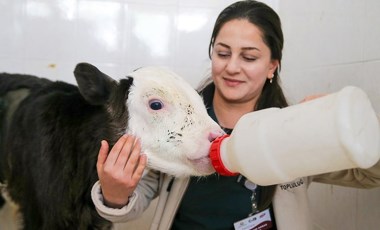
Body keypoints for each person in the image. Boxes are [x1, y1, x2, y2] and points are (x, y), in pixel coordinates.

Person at [91, 1, 380, 229]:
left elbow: (369, 176)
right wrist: (114, 193)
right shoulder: (172, 119)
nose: (232, 67)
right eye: (223, 53)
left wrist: (352, 128)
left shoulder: (291, 128)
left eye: (249, 57)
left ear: (272, 66)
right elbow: (133, 199)